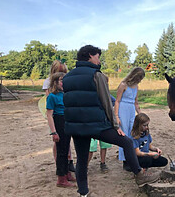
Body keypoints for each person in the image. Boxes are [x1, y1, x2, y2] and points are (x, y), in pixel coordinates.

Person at [62, 45, 159, 197]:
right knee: (126, 142)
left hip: (76, 126)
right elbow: (106, 102)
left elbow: (69, 102)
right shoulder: (97, 75)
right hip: (96, 125)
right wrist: (115, 125)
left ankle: (83, 193)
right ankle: (139, 175)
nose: (99, 59)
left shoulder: (67, 77)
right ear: (89, 56)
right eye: (97, 56)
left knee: (81, 160)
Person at [42, 60, 75, 172]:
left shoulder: (65, 81)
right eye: (60, 72)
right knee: (59, 143)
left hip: (65, 115)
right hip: (57, 115)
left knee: (66, 142)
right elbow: (50, 102)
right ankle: (60, 164)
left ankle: (68, 162)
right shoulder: (50, 84)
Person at [114, 67, 145, 171]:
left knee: (133, 133)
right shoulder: (123, 85)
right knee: (125, 135)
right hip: (123, 109)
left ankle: (132, 158)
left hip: (131, 109)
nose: (140, 81)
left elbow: (136, 102)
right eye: (139, 78)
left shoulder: (136, 87)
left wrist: (141, 114)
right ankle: (125, 160)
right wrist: (117, 116)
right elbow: (117, 101)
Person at [87, 95, 116, 173]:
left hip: (103, 123)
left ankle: (103, 163)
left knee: (104, 144)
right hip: (92, 123)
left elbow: (114, 101)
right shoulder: (90, 95)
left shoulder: (106, 94)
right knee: (91, 146)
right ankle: (86, 165)